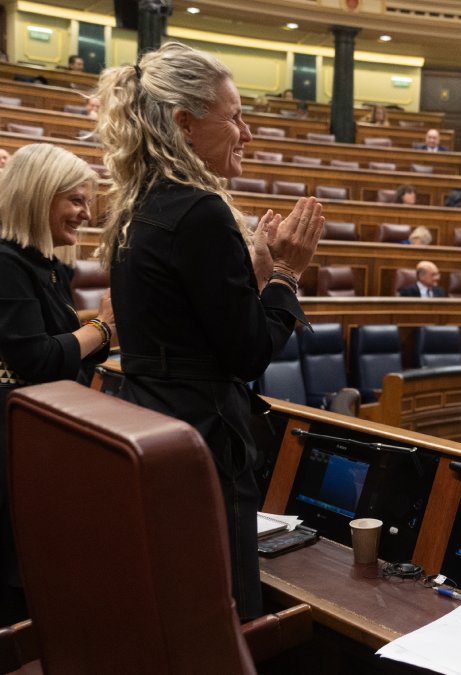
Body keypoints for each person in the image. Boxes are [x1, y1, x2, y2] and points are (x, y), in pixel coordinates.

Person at [97, 42, 323, 621]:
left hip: (153, 423)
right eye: (236, 116)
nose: (246, 133)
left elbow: (183, 321)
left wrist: (251, 278)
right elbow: (246, 352)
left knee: (175, 600)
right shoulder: (200, 209)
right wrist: (289, 275)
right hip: (201, 438)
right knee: (223, 606)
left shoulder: (139, 204)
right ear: (185, 124)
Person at [0, 143, 112, 626]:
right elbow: (39, 358)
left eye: (87, 200)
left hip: (26, 433)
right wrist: (103, 328)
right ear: (37, 196)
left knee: (33, 590)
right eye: (75, 200)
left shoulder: (43, 265)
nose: (86, 212)